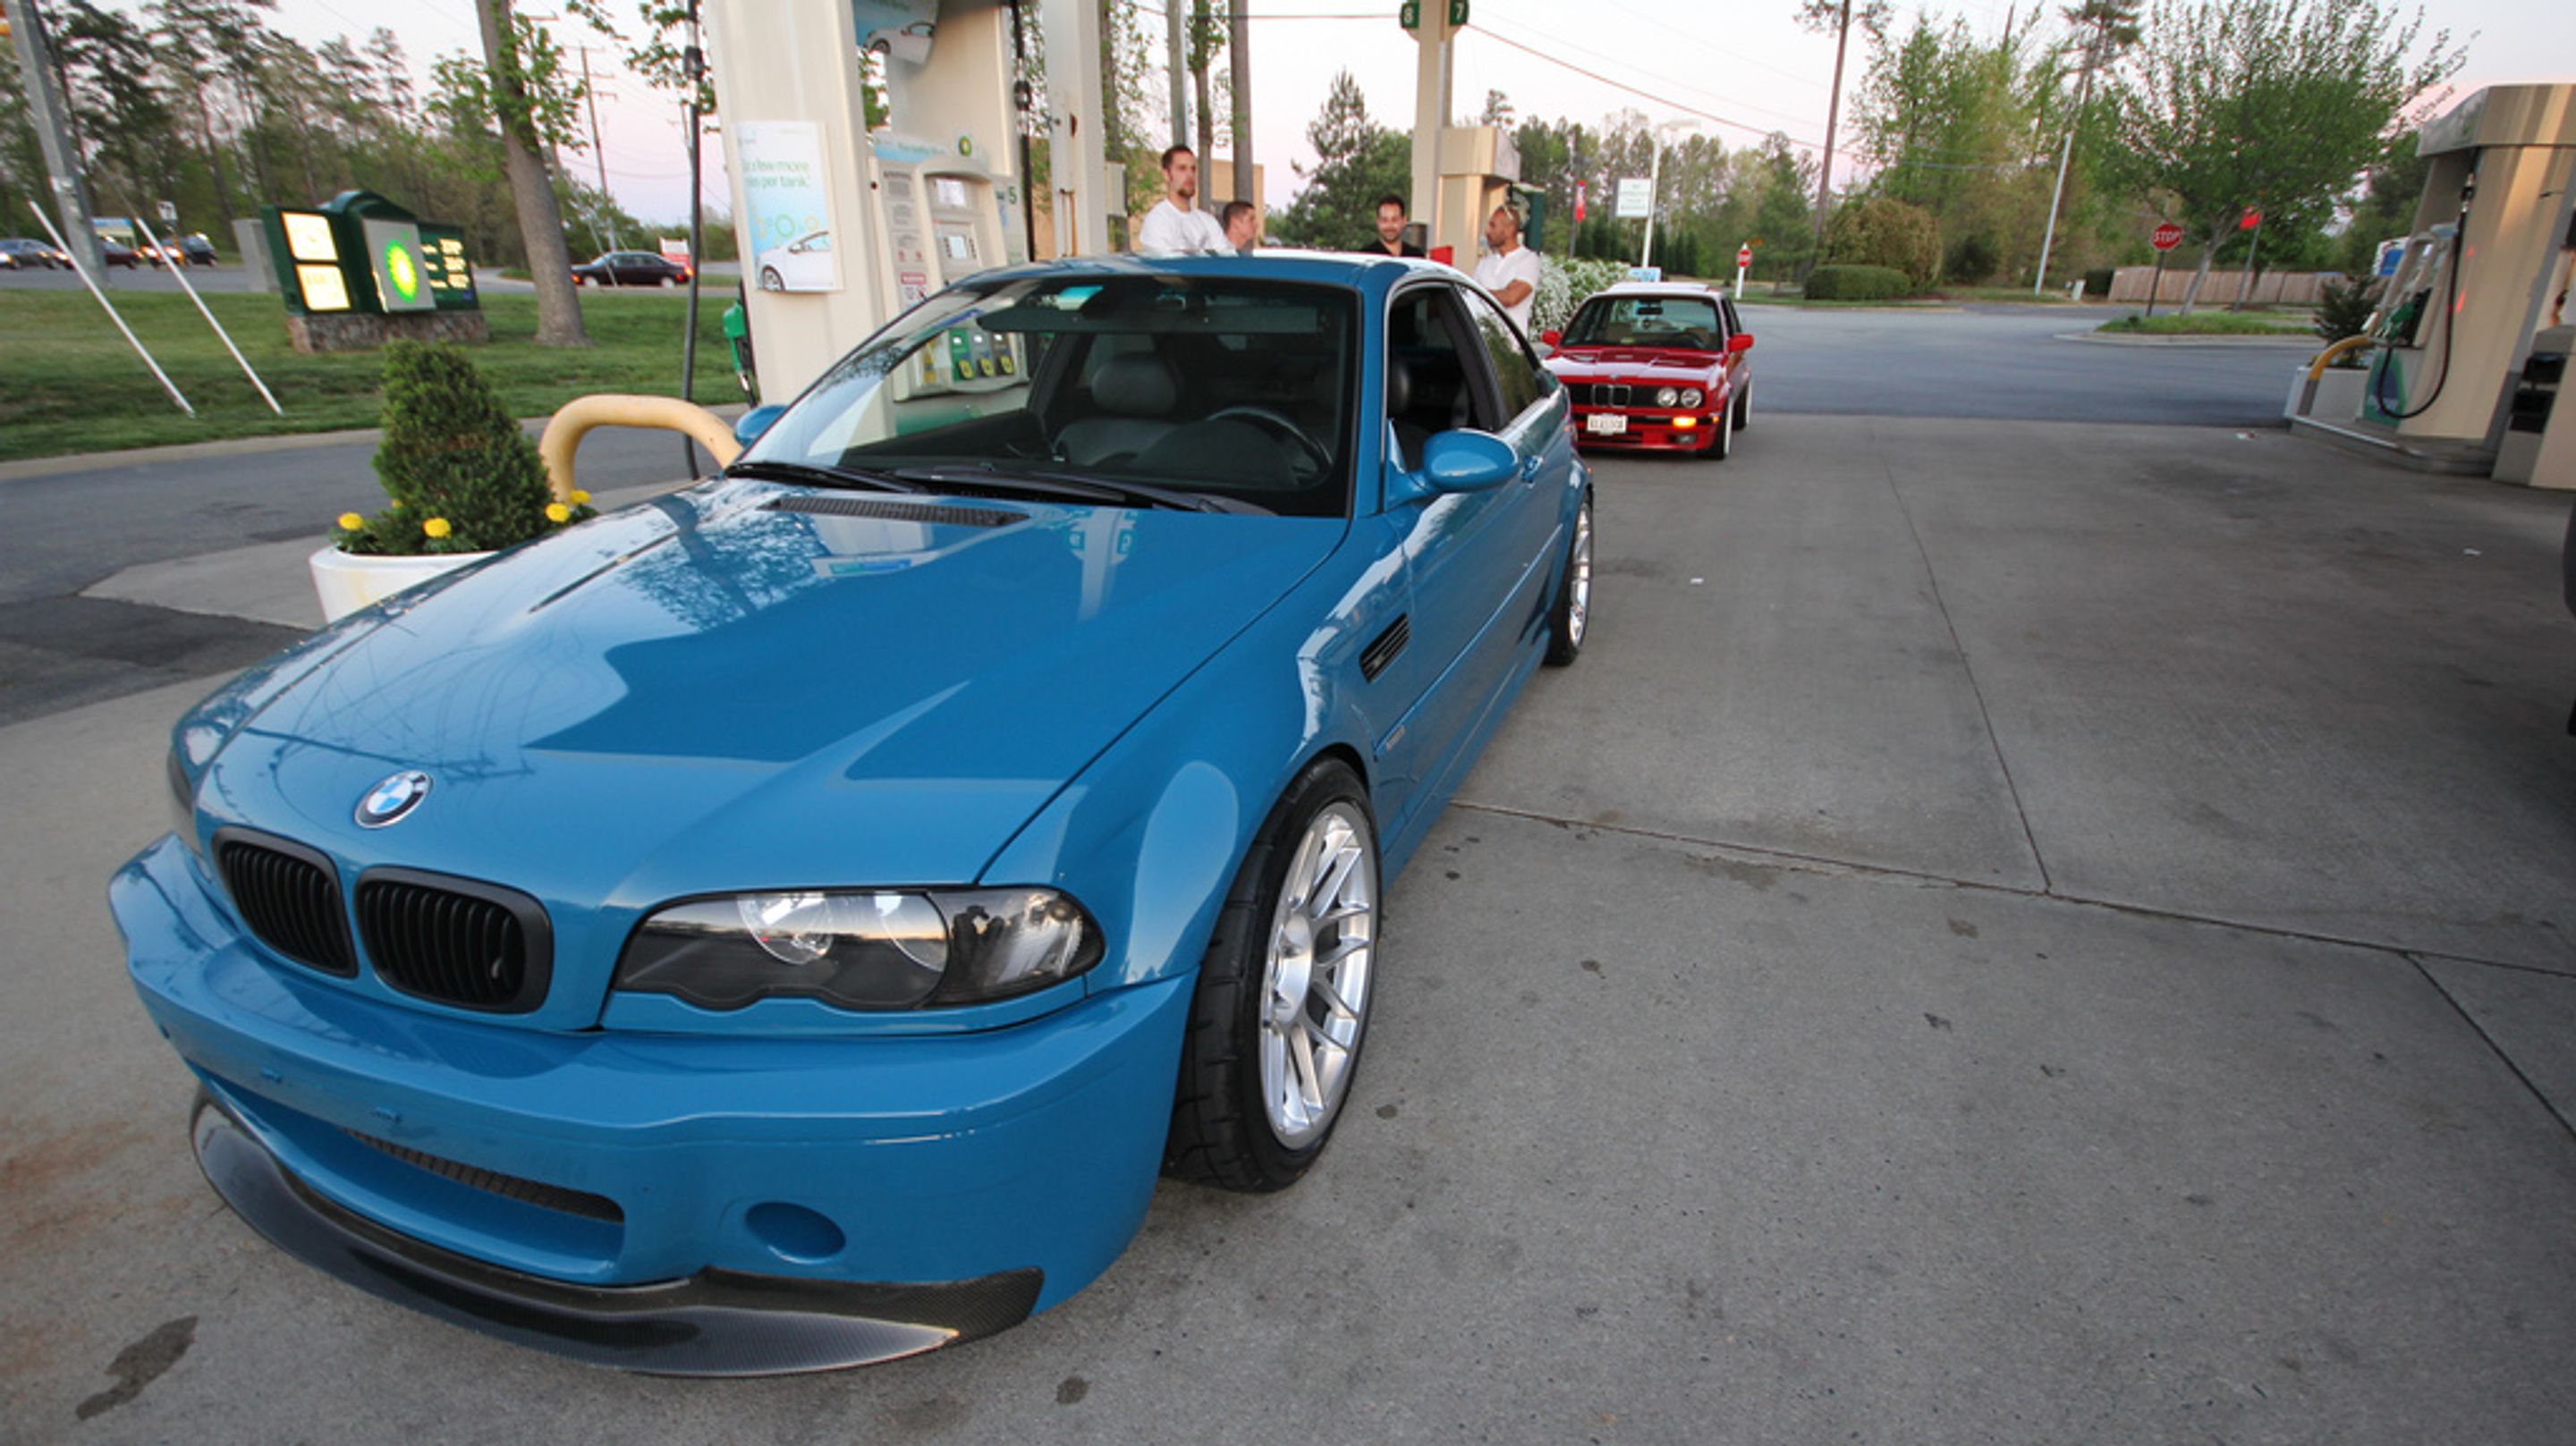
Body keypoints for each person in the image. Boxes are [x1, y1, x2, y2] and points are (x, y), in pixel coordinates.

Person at [1135, 145, 1233, 257]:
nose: (1189, 175)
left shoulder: (1208, 222)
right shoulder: (1157, 220)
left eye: (1193, 169)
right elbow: (1167, 266)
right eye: (1182, 168)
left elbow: (1227, 259)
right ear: (1166, 174)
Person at [1474, 205, 1542, 335]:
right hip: (1481, 347)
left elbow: (1511, 298)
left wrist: (1478, 294)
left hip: (1510, 350)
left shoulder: (1528, 260)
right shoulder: (1484, 263)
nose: (1487, 231)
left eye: (1493, 226)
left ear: (1509, 230)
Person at [1360, 194, 1425, 258]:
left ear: (1404, 221)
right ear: (1378, 222)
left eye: (1394, 220)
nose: (1389, 226)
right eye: (1384, 220)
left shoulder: (1416, 256)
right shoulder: (1366, 256)